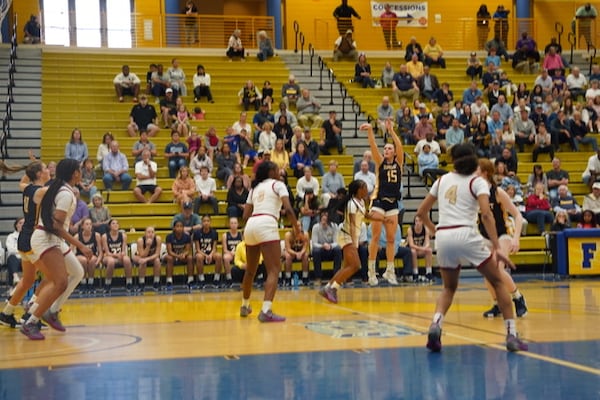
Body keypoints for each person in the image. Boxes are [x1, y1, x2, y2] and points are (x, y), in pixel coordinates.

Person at [415, 143, 528, 353]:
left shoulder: (441, 180)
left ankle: (436, 324)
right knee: (497, 280)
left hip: (444, 236)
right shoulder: (478, 182)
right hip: (466, 234)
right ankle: (511, 334)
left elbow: (421, 212)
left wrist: (434, 230)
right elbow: (486, 215)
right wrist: (497, 247)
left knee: (449, 288)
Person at [19, 159, 90, 340]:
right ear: (75, 174)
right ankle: (31, 321)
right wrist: (81, 245)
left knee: (77, 272)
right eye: (79, 170)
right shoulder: (65, 194)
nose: (81, 172)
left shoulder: (57, 189)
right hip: (46, 237)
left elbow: (25, 187)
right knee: (60, 282)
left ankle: (51, 310)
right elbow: (56, 227)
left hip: (52, 237)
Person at [240, 161, 302, 322]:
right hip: (267, 223)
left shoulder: (254, 188)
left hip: (251, 225)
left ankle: (245, 305)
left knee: (250, 271)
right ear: (271, 172)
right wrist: (297, 229)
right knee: (274, 269)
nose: (279, 171)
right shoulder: (278, 185)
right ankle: (266, 310)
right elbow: (288, 209)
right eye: (276, 169)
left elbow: (245, 214)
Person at [478, 159, 528, 318]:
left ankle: (518, 298)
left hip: (503, 233)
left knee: (498, 269)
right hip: (485, 236)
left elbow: (518, 215)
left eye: (476, 170)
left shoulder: (498, 192)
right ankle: (497, 304)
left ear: (485, 172)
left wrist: (516, 239)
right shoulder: (475, 194)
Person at [362, 121, 403, 286]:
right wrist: (371, 131)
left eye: (389, 148)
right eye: (385, 148)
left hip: (393, 204)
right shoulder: (380, 162)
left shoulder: (399, 162)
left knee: (392, 239)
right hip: (378, 201)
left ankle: (389, 271)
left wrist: (392, 131)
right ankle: (371, 272)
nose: (386, 150)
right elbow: (372, 146)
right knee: (376, 237)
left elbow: (399, 146)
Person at [318, 180, 368, 303]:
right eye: (364, 187)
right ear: (358, 190)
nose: (366, 189)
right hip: (347, 235)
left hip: (350, 235)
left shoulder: (361, 202)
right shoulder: (352, 204)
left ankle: (329, 287)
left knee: (347, 266)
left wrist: (384, 219)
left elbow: (367, 215)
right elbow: (351, 224)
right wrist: (354, 241)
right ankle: (331, 288)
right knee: (355, 265)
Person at [101, 219, 133, 294]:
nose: (115, 225)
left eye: (117, 223)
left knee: (127, 259)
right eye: (113, 223)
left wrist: (121, 254)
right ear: (109, 226)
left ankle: (129, 283)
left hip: (119, 256)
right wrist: (116, 255)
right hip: (108, 256)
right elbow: (107, 252)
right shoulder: (105, 236)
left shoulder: (123, 236)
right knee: (111, 262)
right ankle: (107, 284)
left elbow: (123, 251)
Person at [192, 215, 223, 289]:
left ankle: (216, 279)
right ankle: (201, 279)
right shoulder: (197, 233)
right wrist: (206, 255)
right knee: (199, 256)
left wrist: (211, 255)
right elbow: (198, 249)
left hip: (211, 252)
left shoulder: (214, 232)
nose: (206, 223)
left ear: (210, 222)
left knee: (219, 256)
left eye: (208, 221)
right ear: (202, 222)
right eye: (204, 221)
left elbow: (214, 248)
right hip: (201, 253)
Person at [74, 217, 102, 294]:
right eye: (86, 224)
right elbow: (72, 251)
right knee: (83, 260)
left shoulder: (96, 235)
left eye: (90, 224)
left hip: (92, 255)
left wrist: (99, 260)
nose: (89, 226)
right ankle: (83, 283)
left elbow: (100, 251)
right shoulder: (77, 236)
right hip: (80, 256)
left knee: (92, 260)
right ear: (82, 226)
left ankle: (90, 283)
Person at [164, 220, 193, 290]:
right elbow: (169, 251)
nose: (179, 228)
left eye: (181, 226)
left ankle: (190, 280)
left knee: (190, 258)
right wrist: (178, 256)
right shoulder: (169, 237)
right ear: (174, 228)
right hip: (172, 256)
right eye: (177, 226)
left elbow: (187, 250)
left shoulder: (187, 237)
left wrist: (183, 254)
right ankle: (169, 281)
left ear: (183, 228)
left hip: (182, 256)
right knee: (169, 258)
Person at [407, 216, 433, 282]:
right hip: (412, 251)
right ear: (414, 222)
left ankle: (428, 273)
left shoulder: (426, 229)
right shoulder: (410, 229)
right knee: (413, 251)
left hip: (421, 250)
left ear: (423, 222)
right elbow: (411, 245)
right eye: (416, 221)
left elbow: (427, 243)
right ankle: (415, 274)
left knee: (429, 250)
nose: (418, 223)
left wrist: (424, 248)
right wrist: (421, 248)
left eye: (420, 221)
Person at [222, 217, 243, 286]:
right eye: (232, 223)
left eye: (235, 223)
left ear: (238, 224)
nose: (233, 225)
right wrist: (231, 253)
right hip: (230, 253)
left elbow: (244, 247)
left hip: (240, 254)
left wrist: (237, 253)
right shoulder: (225, 235)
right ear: (229, 225)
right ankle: (229, 277)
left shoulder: (241, 235)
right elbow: (225, 250)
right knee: (226, 257)